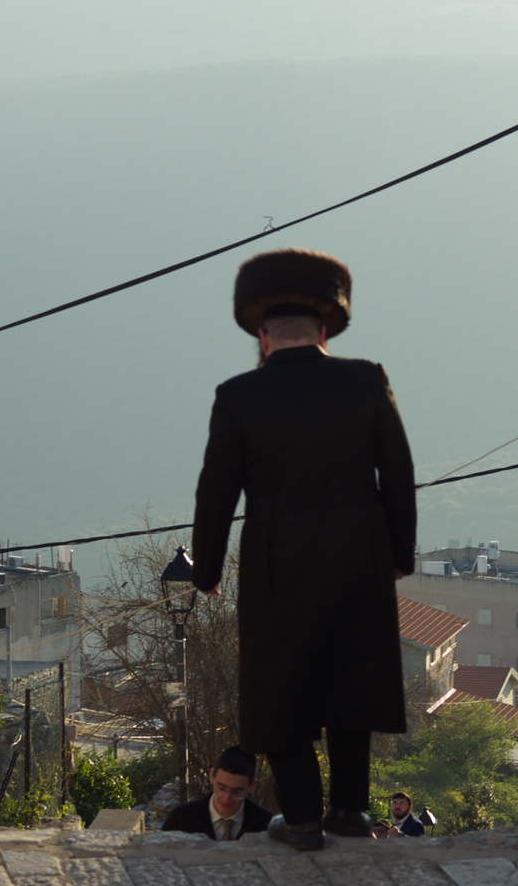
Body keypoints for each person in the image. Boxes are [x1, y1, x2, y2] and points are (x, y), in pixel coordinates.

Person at [191, 248, 416, 851]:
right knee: (351, 678)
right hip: (359, 554)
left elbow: (216, 492)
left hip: (277, 560)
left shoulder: (238, 396)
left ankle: (304, 819)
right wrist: (400, 554)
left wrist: (207, 568)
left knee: (279, 687)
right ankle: (348, 812)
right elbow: (397, 471)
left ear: (263, 337)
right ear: (323, 332)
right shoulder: (367, 378)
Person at [161, 746, 273, 839]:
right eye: (221, 788)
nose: (226, 799)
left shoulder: (268, 825)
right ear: (211, 776)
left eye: (237, 792)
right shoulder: (180, 820)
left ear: (252, 786)